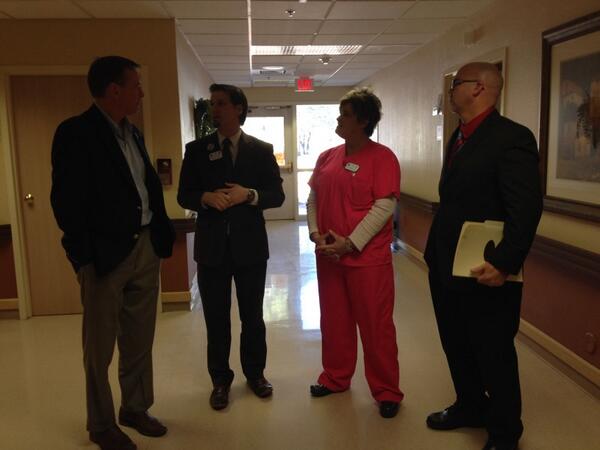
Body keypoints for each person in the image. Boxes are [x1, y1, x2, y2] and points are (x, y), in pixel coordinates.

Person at [50, 56, 175, 450]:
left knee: (139, 338)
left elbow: (143, 188)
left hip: (145, 247)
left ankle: (134, 408)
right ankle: (101, 423)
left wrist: (157, 237)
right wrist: (83, 258)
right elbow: (65, 202)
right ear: (114, 90)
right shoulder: (75, 133)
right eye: (136, 86)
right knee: (99, 347)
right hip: (104, 256)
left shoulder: (132, 133)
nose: (141, 93)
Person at [424, 62, 543, 450]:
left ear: (478, 88)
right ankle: (470, 405)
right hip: (446, 264)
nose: (450, 91)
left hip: (487, 267)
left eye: (456, 84)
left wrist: (504, 263)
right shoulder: (459, 136)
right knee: (456, 342)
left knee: (493, 350)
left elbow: (525, 209)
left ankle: (505, 432)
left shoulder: (512, 138)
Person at [177, 83, 284, 411]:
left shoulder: (261, 150)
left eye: (221, 103)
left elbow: (277, 195)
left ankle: (255, 375)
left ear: (239, 108)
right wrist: (205, 198)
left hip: (250, 248)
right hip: (212, 250)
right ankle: (220, 381)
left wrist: (249, 195)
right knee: (216, 320)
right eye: (212, 103)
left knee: (253, 317)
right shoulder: (197, 150)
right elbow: (184, 195)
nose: (215, 109)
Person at [306, 87, 404, 418]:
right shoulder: (327, 157)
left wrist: (349, 243)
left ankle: (386, 390)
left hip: (367, 260)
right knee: (334, 322)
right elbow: (314, 198)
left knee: (376, 327)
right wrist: (316, 234)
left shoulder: (382, 158)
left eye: (345, 115)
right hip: (329, 257)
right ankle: (335, 378)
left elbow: (383, 207)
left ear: (363, 121)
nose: (338, 119)